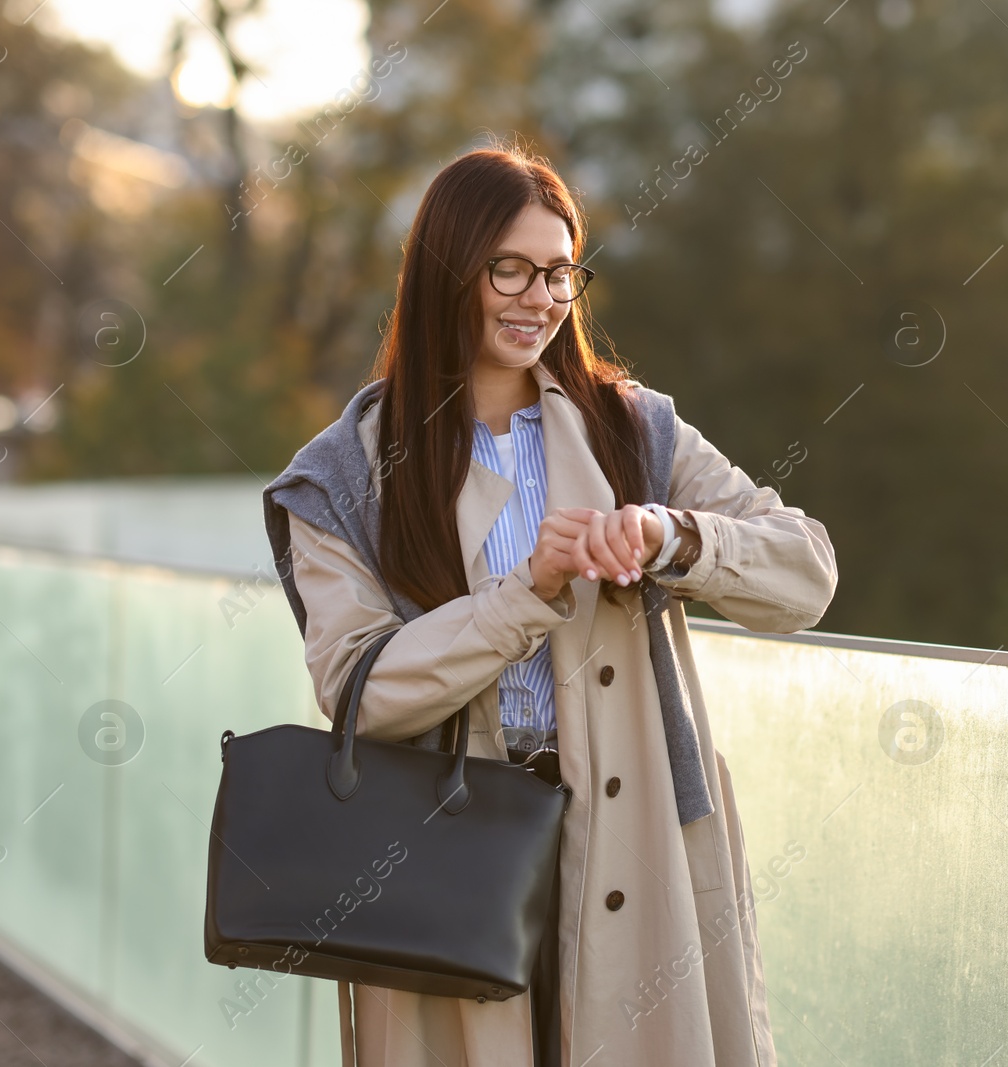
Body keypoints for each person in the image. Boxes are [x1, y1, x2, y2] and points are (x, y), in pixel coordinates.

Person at [263, 140, 837, 1067]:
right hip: (438, 847)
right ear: (449, 271)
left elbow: (806, 572)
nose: (540, 297)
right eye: (512, 269)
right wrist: (522, 593)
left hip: (638, 827)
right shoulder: (345, 477)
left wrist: (671, 537)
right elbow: (360, 692)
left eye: (561, 273)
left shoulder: (634, 428)